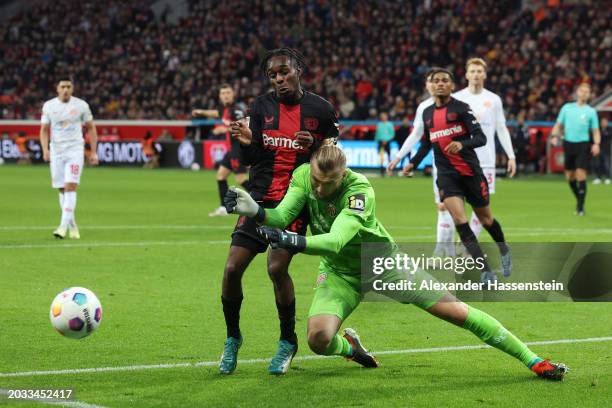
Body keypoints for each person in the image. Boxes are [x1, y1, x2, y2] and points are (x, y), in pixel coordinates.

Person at [223, 144, 568, 380]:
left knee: (456, 312)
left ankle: (533, 360)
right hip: (339, 272)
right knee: (318, 340)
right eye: (314, 179)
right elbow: (282, 215)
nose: (317, 188)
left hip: (383, 266)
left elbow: (336, 239)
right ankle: (352, 349)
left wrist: (292, 240)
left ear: (342, 176)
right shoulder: (303, 175)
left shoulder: (360, 191)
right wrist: (254, 210)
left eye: (326, 184)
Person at [218, 48, 338, 375]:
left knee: (276, 267)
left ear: (299, 69)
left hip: (296, 201)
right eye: (273, 75)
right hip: (259, 198)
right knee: (232, 269)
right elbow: (252, 158)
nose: (279, 79)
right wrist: (246, 141)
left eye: (284, 72)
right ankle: (232, 338)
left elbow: (332, 160)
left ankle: (287, 340)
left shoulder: (321, 109)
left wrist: (314, 146)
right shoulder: (261, 107)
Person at [404, 68, 511, 283]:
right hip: (446, 176)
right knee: (461, 221)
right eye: (436, 81)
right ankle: (485, 270)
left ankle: (504, 250)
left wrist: (461, 143)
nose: (440, 84)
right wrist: (412, 163)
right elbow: (427, 143)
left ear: (452, 86)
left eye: (445, 80)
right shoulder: (427, 113)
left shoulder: (461, 109)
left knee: (486, 219)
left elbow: (481, 138)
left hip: (470, 173)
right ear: (430, 86)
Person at [453, 58, 516, 241]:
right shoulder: (457, 99)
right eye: (472, 71)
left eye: (479, 71)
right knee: (456, 201)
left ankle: (467, 245)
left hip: (486, 161)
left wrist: (511, 156)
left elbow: (501, 129)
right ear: (466, 75)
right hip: (462, 159)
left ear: (485, 74)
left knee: (480, 206)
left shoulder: (494, 100)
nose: (476, 75)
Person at [40, 76, 99, 239]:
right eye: (63, 87)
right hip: (57, 151)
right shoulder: (49, 106)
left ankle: (62, 227)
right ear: (57, 89)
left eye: (68, 87)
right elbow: (44, 130)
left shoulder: (81, 106)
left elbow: (91, 128)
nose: (65, 89)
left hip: (75, 150)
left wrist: (93, 152)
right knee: (61, 188)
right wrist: (45, 150)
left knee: (70, 186)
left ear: (72, 89)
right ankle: (73, 225)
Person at [193, 84, 249, 216]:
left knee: (240, 179)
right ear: (219, 96)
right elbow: (214, 113)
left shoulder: (236, 110)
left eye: (228, 93)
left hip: (239, 147)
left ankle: (265, 199)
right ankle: (224, 208)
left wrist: (224, 129)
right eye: (223, 93)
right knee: (220, 176)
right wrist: (201, 111)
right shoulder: (224, 109)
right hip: (231, 149)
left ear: (233, 94)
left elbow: (243, 127)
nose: (225, 95)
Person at [550, 83, 601, 215]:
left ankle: (580, 207)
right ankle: (580, 198)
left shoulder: (591, 111)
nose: (584, 93)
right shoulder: (567, 108)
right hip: (568, 144)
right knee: (570, 176)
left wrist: (596, 144)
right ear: (577, 92)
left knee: (580, 173)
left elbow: (595, 131)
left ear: (589, 95)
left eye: (587, 92)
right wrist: (555, 136)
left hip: (583, 145)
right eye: (582, 91)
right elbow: (558, 125)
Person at [374, 112, 394, 176]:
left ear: (386, 117)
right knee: (381, 157)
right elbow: (377, 134)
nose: (383, 117)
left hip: (387, 142)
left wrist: (387, 140)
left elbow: (392, 134)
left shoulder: (389, 124)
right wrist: (376, 142)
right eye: (382, 116)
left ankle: (390, 171)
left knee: (389, 157)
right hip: (380, 142)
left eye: (384, 116)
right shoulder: (379, 124)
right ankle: (382, 172)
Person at [592, 117, 610, 185]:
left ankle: (608, 178)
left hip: (607, 150)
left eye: (605, 122)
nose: (603, 123)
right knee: (597, 164)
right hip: (598, 150)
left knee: (607, 165)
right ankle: (598, 178)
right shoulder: (597, 130)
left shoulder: (610, 129)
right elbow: (593, 137)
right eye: (602, 122)